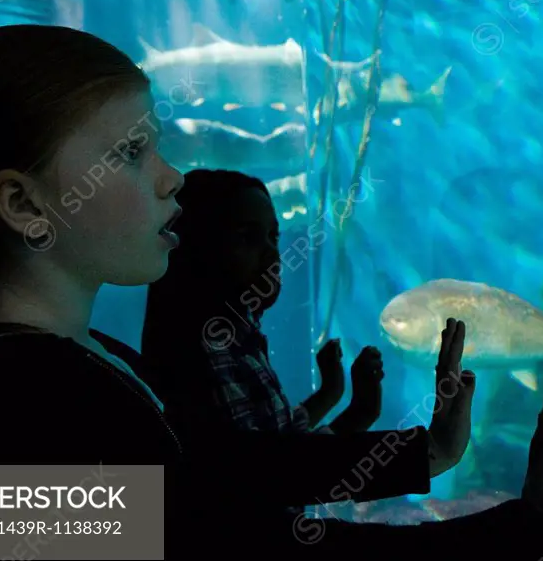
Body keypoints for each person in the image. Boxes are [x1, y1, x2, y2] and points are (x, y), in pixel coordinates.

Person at [0, 24, 543, 561]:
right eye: (131, 154)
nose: (173, 178)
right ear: (26, 206)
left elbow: (215, 481)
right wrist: (523, 545)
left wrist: (424, 454)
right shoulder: (12, 405)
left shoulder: (71, 360)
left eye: (156, 145)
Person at [141, 168, 383, 443]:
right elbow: (269, 476)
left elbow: (277, 437)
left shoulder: (235, 335)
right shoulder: (208, 350)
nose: (272, 250)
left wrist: (330, 393)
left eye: (273, 236)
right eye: (247, 237)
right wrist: (359, 415)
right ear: (197, 250)